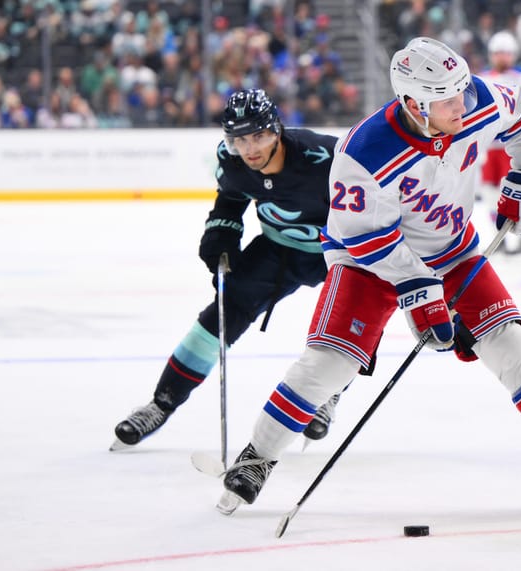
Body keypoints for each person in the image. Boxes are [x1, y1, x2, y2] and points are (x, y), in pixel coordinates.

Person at [217, 37, 521, 515]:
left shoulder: (472, 98)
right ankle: (256, 459)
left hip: (452, 250)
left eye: (464, 91)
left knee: (510, 344)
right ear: (414, 104)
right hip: (367, 260)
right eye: (450, 99)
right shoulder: (363, 152)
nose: (465, 104)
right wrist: (418, 289)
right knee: (330, 365)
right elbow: (365, 237)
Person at [111, 88, 347, 450]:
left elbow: (373, 198)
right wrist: (220, 237)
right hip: (277, 249)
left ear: (277, 130)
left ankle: (327, 393)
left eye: (258, 136)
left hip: (339, 252)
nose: (249, 148)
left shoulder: (326, 156)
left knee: (349, 323)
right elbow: (231, 199)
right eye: (239, 139)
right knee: (221, 314)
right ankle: (161, 404)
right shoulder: (232, 160)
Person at [478, 30, 521, 256]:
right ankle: (500, 240)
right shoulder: (483, 77)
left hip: (512, 144)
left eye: (505, 53)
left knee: (516, 192)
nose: (502, 57)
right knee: (489, 193)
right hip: (488, 146)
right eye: (498, 53)